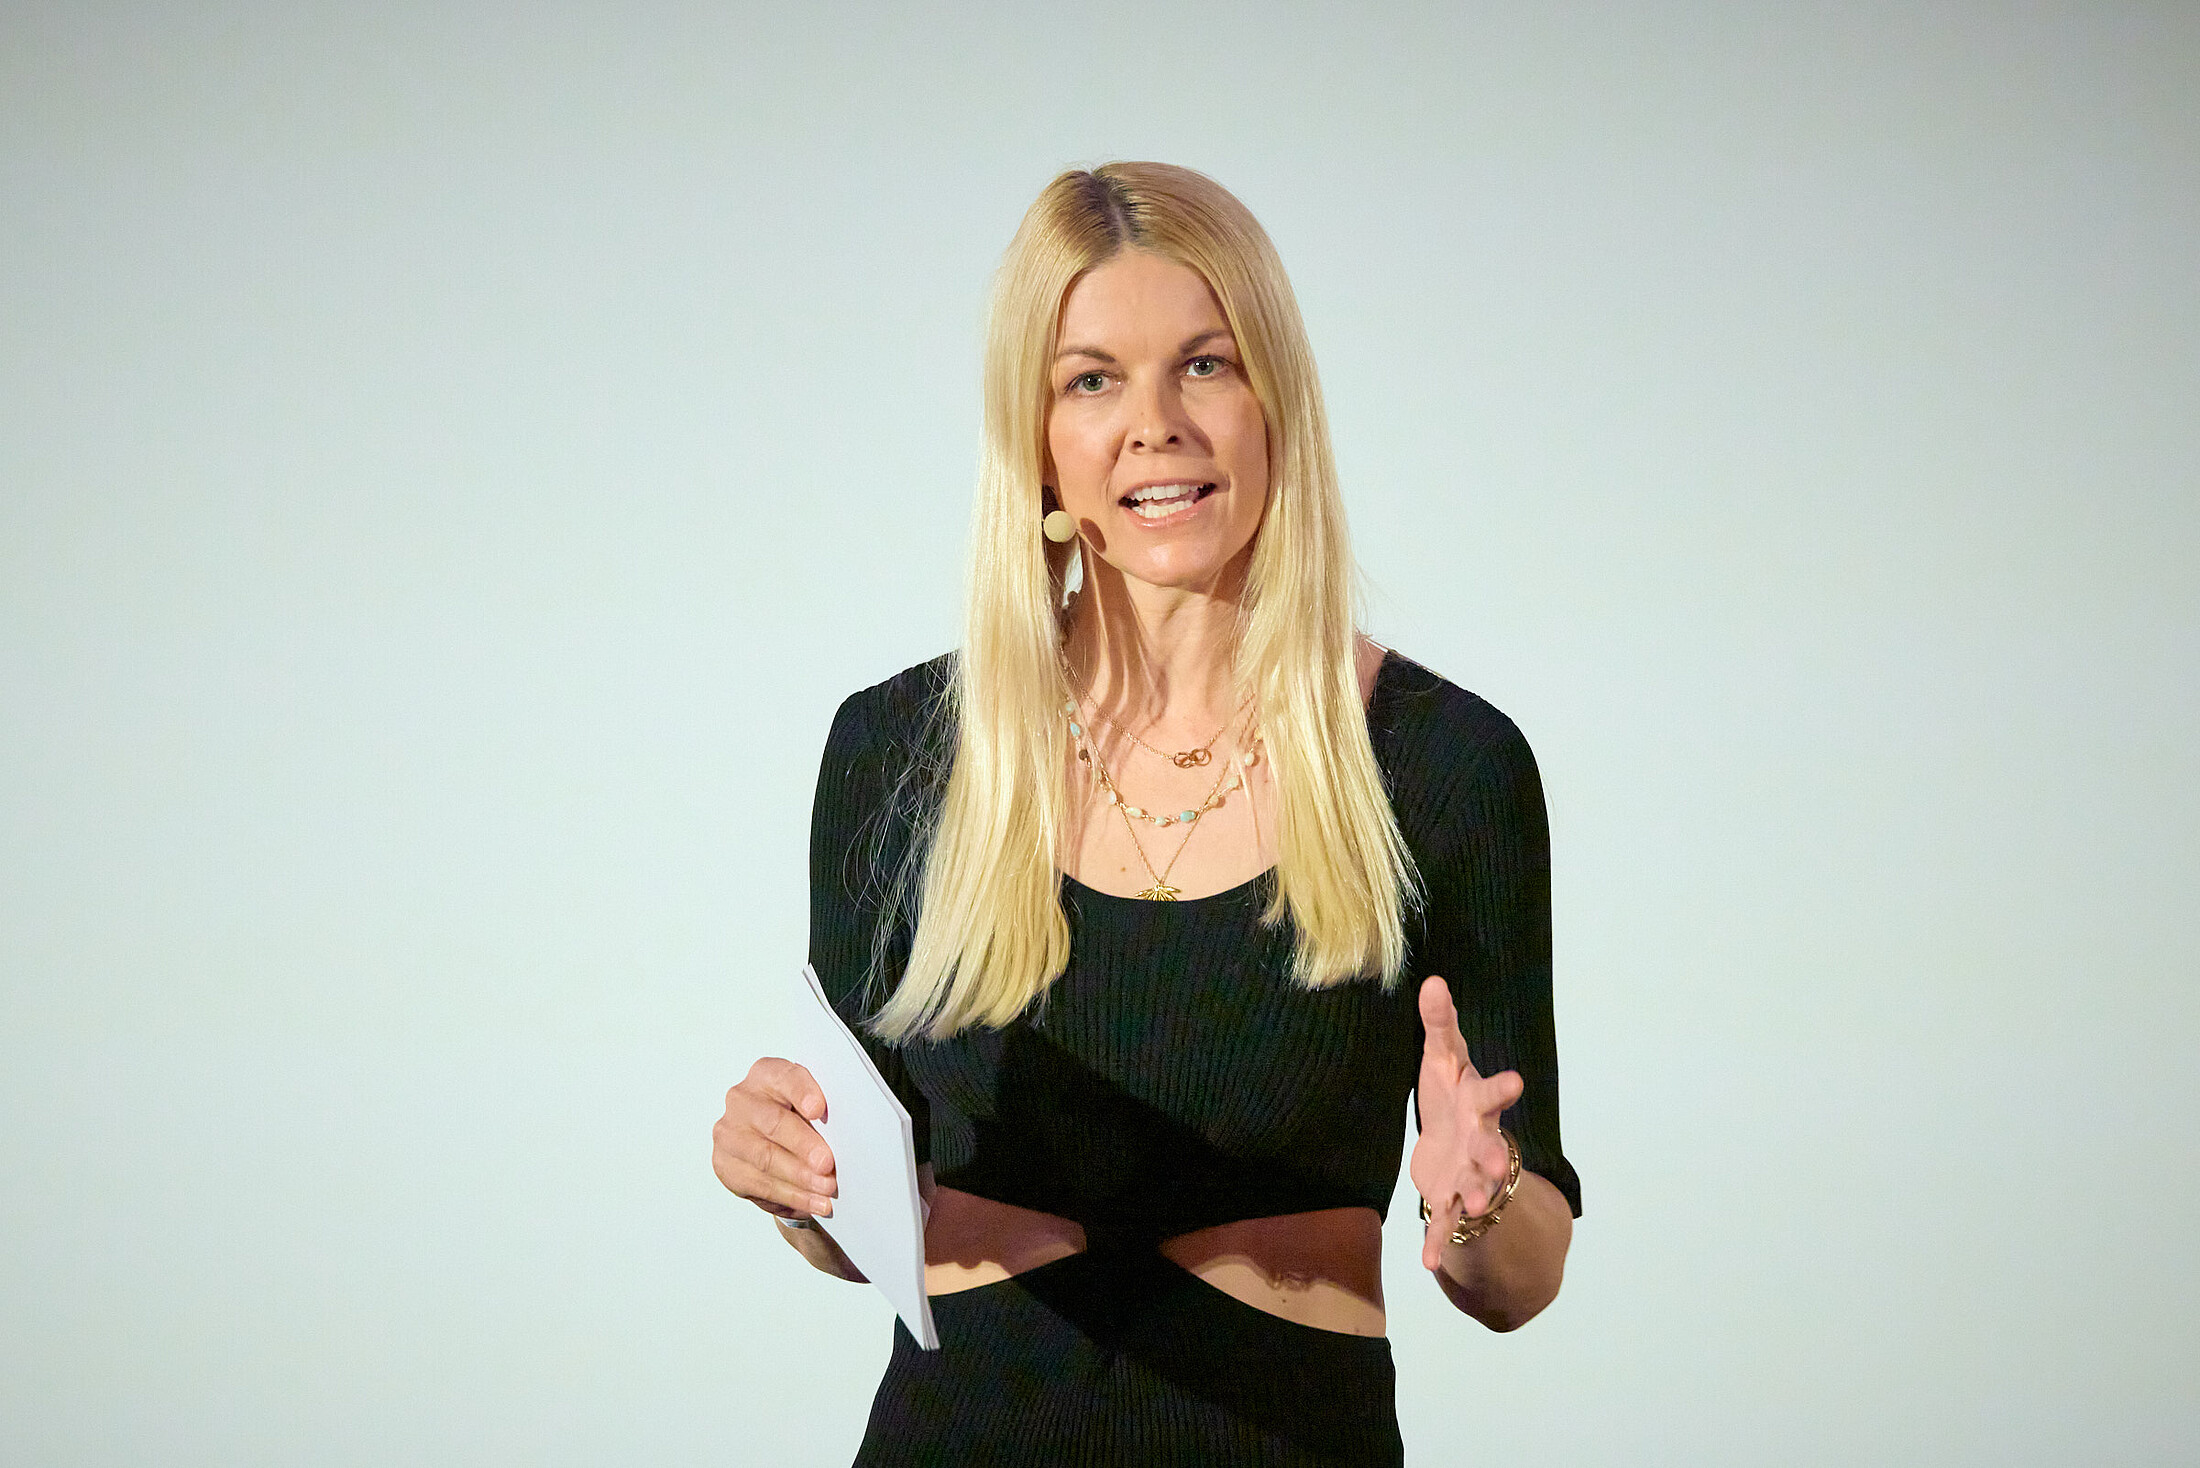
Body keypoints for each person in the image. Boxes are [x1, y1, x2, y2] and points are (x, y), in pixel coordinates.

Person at [712, 161, 1581, 1466]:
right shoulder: (898, 753)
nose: (1155, 425)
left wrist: (1479, 1206)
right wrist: (796, 1185)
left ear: (1275, 403)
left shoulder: (1444, 765)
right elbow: (861, 1227)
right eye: (1092, 380)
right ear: (1036, 440)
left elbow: (1518, 1278)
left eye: (1206, 366)